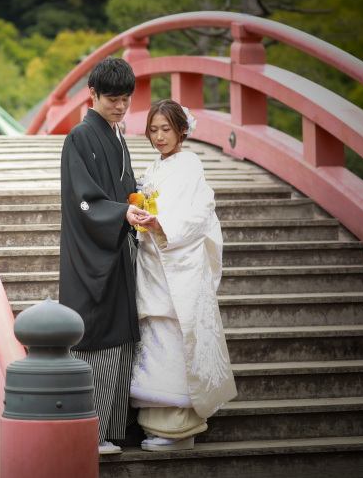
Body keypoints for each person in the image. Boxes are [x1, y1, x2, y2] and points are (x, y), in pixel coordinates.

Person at [130, 99, 237, 451]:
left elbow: (200, 212)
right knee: (155, 338)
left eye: (166, 129)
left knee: (176, 337)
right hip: (154, 261)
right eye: (153, 129)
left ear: (182, 131)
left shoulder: (190, 164)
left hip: (177, 260)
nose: (159, 136)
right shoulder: (155, 166)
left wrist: (162, 223)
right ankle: (156, 426)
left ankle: (181, 430)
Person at [59, 56, 150, 455]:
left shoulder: (116, 135)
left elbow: (124, 187)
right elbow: (84, 199)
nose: (120, 107)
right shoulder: (80, 137)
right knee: (94, 334)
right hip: (93, 249)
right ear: (91, 94)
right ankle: (87, 432)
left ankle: (109, 429)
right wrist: (119, 212)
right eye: (112, 99)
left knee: (120, 336)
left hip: (117, 247)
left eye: (126, 100)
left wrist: (138, 203)